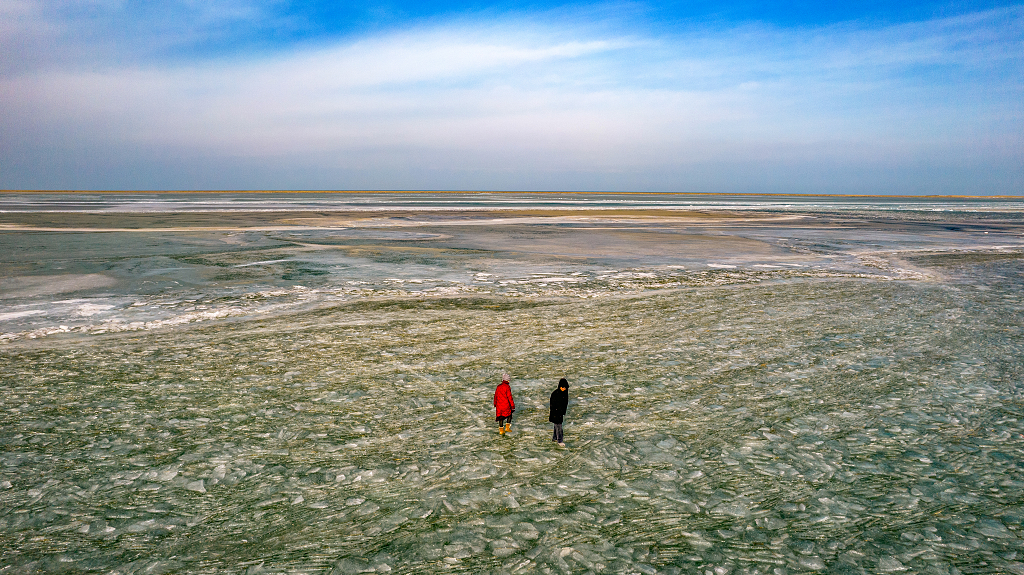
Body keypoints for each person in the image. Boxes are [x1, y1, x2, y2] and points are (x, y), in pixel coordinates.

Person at [549, 378, 569, 446]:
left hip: (560, 412)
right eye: (562, 387)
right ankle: (560, 441)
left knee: (556, 426)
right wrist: (557, 412)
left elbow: (565, 403)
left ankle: (554, 438)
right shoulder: (555, 394)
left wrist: (563, 412)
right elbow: (552, 404)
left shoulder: (565, 393)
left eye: (565, 387)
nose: (564, 388)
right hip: (555, 413)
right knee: (559, 427)